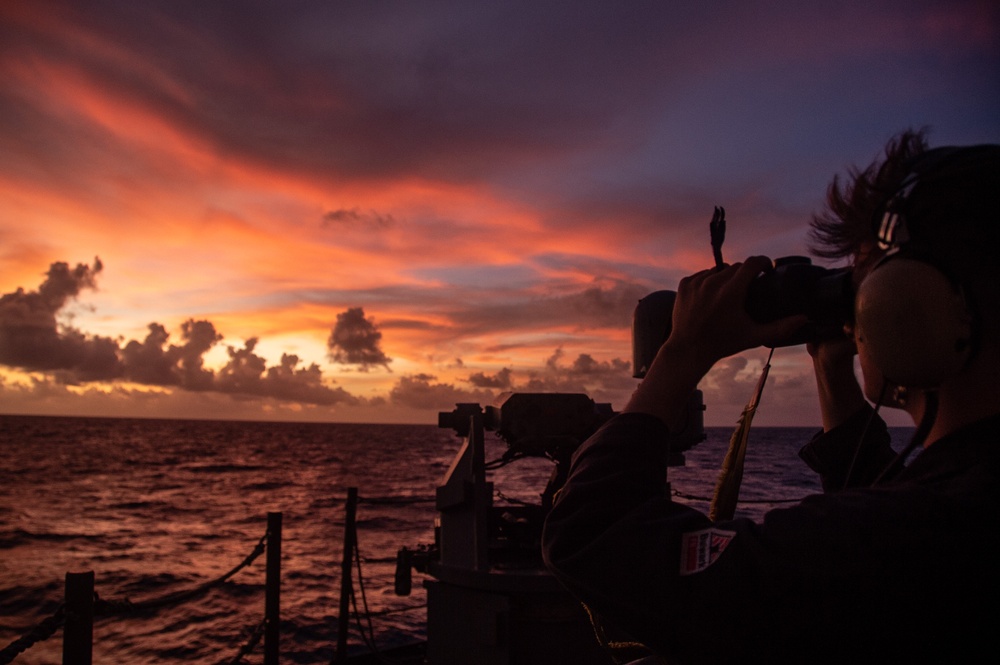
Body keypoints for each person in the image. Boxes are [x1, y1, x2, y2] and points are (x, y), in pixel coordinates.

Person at [541, 131, 1000, 664]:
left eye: (864, 288)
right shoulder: (951, 513)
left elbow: (593, 537)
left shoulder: (914, 541)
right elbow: (888, 495)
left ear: (913, 298)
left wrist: (683, 352)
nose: (856, 319)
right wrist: (830, 365)